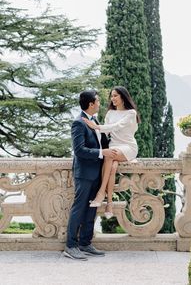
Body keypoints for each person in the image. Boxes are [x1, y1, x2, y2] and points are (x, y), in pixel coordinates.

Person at [64, 90, 118, 260]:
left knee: (91, 209)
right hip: (85, 173)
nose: (100, 103)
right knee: (79, 209)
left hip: (98, 172)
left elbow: (103, 142)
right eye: (98, 101)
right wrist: (103, 152)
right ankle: (71, 246)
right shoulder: (78, 123)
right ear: (91, 104)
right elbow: (79, 151)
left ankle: (85, 243)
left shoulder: (94, 121)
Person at [82, 86, 140, 219]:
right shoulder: (110, 113)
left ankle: (101, 193)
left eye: (115, 96)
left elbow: (117, 126)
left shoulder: (131, 113)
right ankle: (109, 204)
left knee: (109, 154)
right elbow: (106, 133)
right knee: (112, 166)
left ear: (123, 97)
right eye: (111, 96)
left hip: (128, 147)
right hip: (114, 146)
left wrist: (96, 126)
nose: (112, 98)